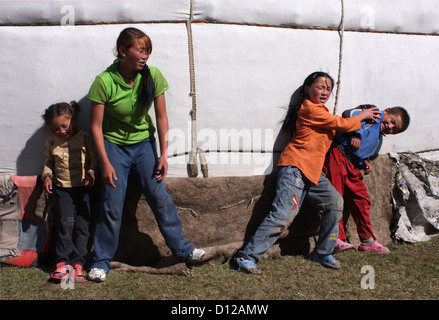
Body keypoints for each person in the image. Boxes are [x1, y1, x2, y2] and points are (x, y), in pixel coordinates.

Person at [86, 27, 205, 282]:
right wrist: (104, 162)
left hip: (143, 145)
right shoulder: (104, 81)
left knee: (159, 196)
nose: (145, 56)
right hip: (114, 146)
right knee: (112, 203)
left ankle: (183, 249)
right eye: (140, 50)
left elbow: (162, 118)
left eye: (147, 50)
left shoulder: (153, 76)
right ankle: (101, 261)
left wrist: (164, 155)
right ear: (122, 51)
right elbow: (96, 127)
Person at [233, 71, 381, 273]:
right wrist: (362, 115)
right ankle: (246, 257)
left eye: (328, 89)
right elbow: (341, 124)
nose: (325, 92)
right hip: (296, 167)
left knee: (335, 203)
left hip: (313, 171)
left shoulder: (323, 112)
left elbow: (335, 134)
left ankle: (322, 252)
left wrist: (360, 160)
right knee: (283, 215)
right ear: (307, 88)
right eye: (320, 87)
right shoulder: (310, 108)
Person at [327, 105, 410, 254]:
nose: (390, 127)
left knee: (361, 199)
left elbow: (361, 151)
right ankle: (335, 238)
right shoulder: (373, 114)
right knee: (335, 197)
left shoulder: (378, 138)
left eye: (394, 129)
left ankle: (367, 240)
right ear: (387, 110)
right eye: (391, 121)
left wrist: (364, 162)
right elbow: (348, 113)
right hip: (338, 156)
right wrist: (355, 133)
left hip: (352, 165)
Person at [42, 101, 97, 283]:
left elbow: (93, 158)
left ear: (72, 120)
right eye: (56, 129)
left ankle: (79, 264)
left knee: (82, 226)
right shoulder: (52, 143)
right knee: (66, 225)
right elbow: (49, 163)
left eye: (64, 126)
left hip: (83, 190)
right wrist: (47, 176)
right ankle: (62, 263)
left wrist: (91, 171)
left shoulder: (84, 138)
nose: (62, 131)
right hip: (63, 190)